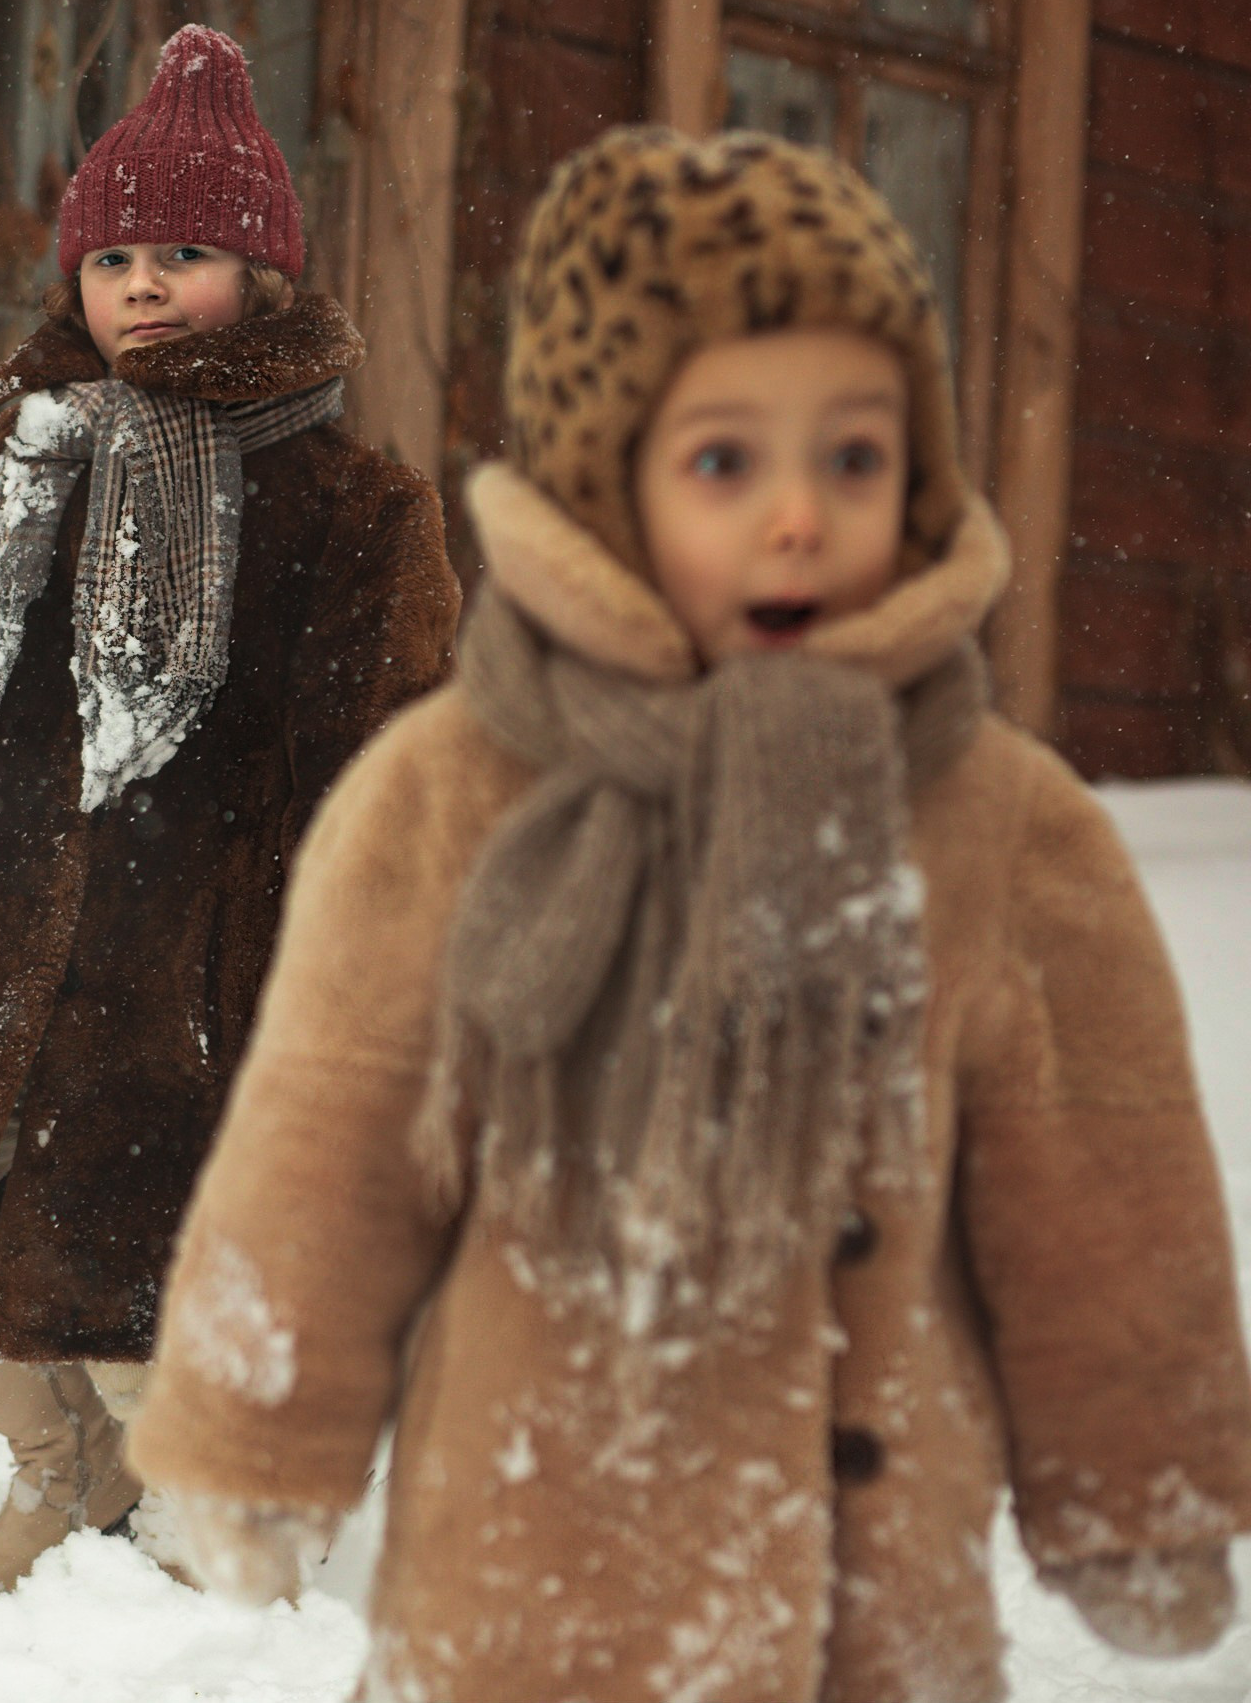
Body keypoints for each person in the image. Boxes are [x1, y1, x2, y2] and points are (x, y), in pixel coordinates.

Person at [129, 126, 1251, 1702]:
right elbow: (333, 1131)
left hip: (872, 1600)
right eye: (729, 461)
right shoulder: (457, 791)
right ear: (607, 476)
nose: (800, 515)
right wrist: (260, 1427)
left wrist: (1139, 1490)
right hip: (529, 1573)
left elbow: (1104, 1184)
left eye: (854, 457)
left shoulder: (996, 815)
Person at [0, 24, 458, 1595]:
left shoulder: (355, 512)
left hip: (182, 971)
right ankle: (59, 1463)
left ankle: (192, 1523)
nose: (139, 283)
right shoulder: (12, 469)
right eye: (113, 252)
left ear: (261, 275)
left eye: (184, 251)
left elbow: (390, 788)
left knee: (134, 1293)